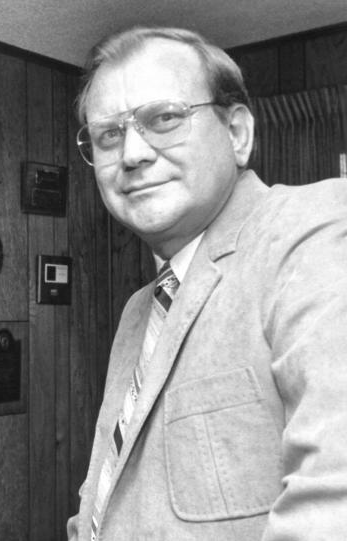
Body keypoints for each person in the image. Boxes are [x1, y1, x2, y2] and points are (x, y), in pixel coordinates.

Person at [67, 26, 347, 540]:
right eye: (109, 134)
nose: (132, 153)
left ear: (237, 134)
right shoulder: (139, 312)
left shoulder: (315, 233)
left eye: (164, 118)